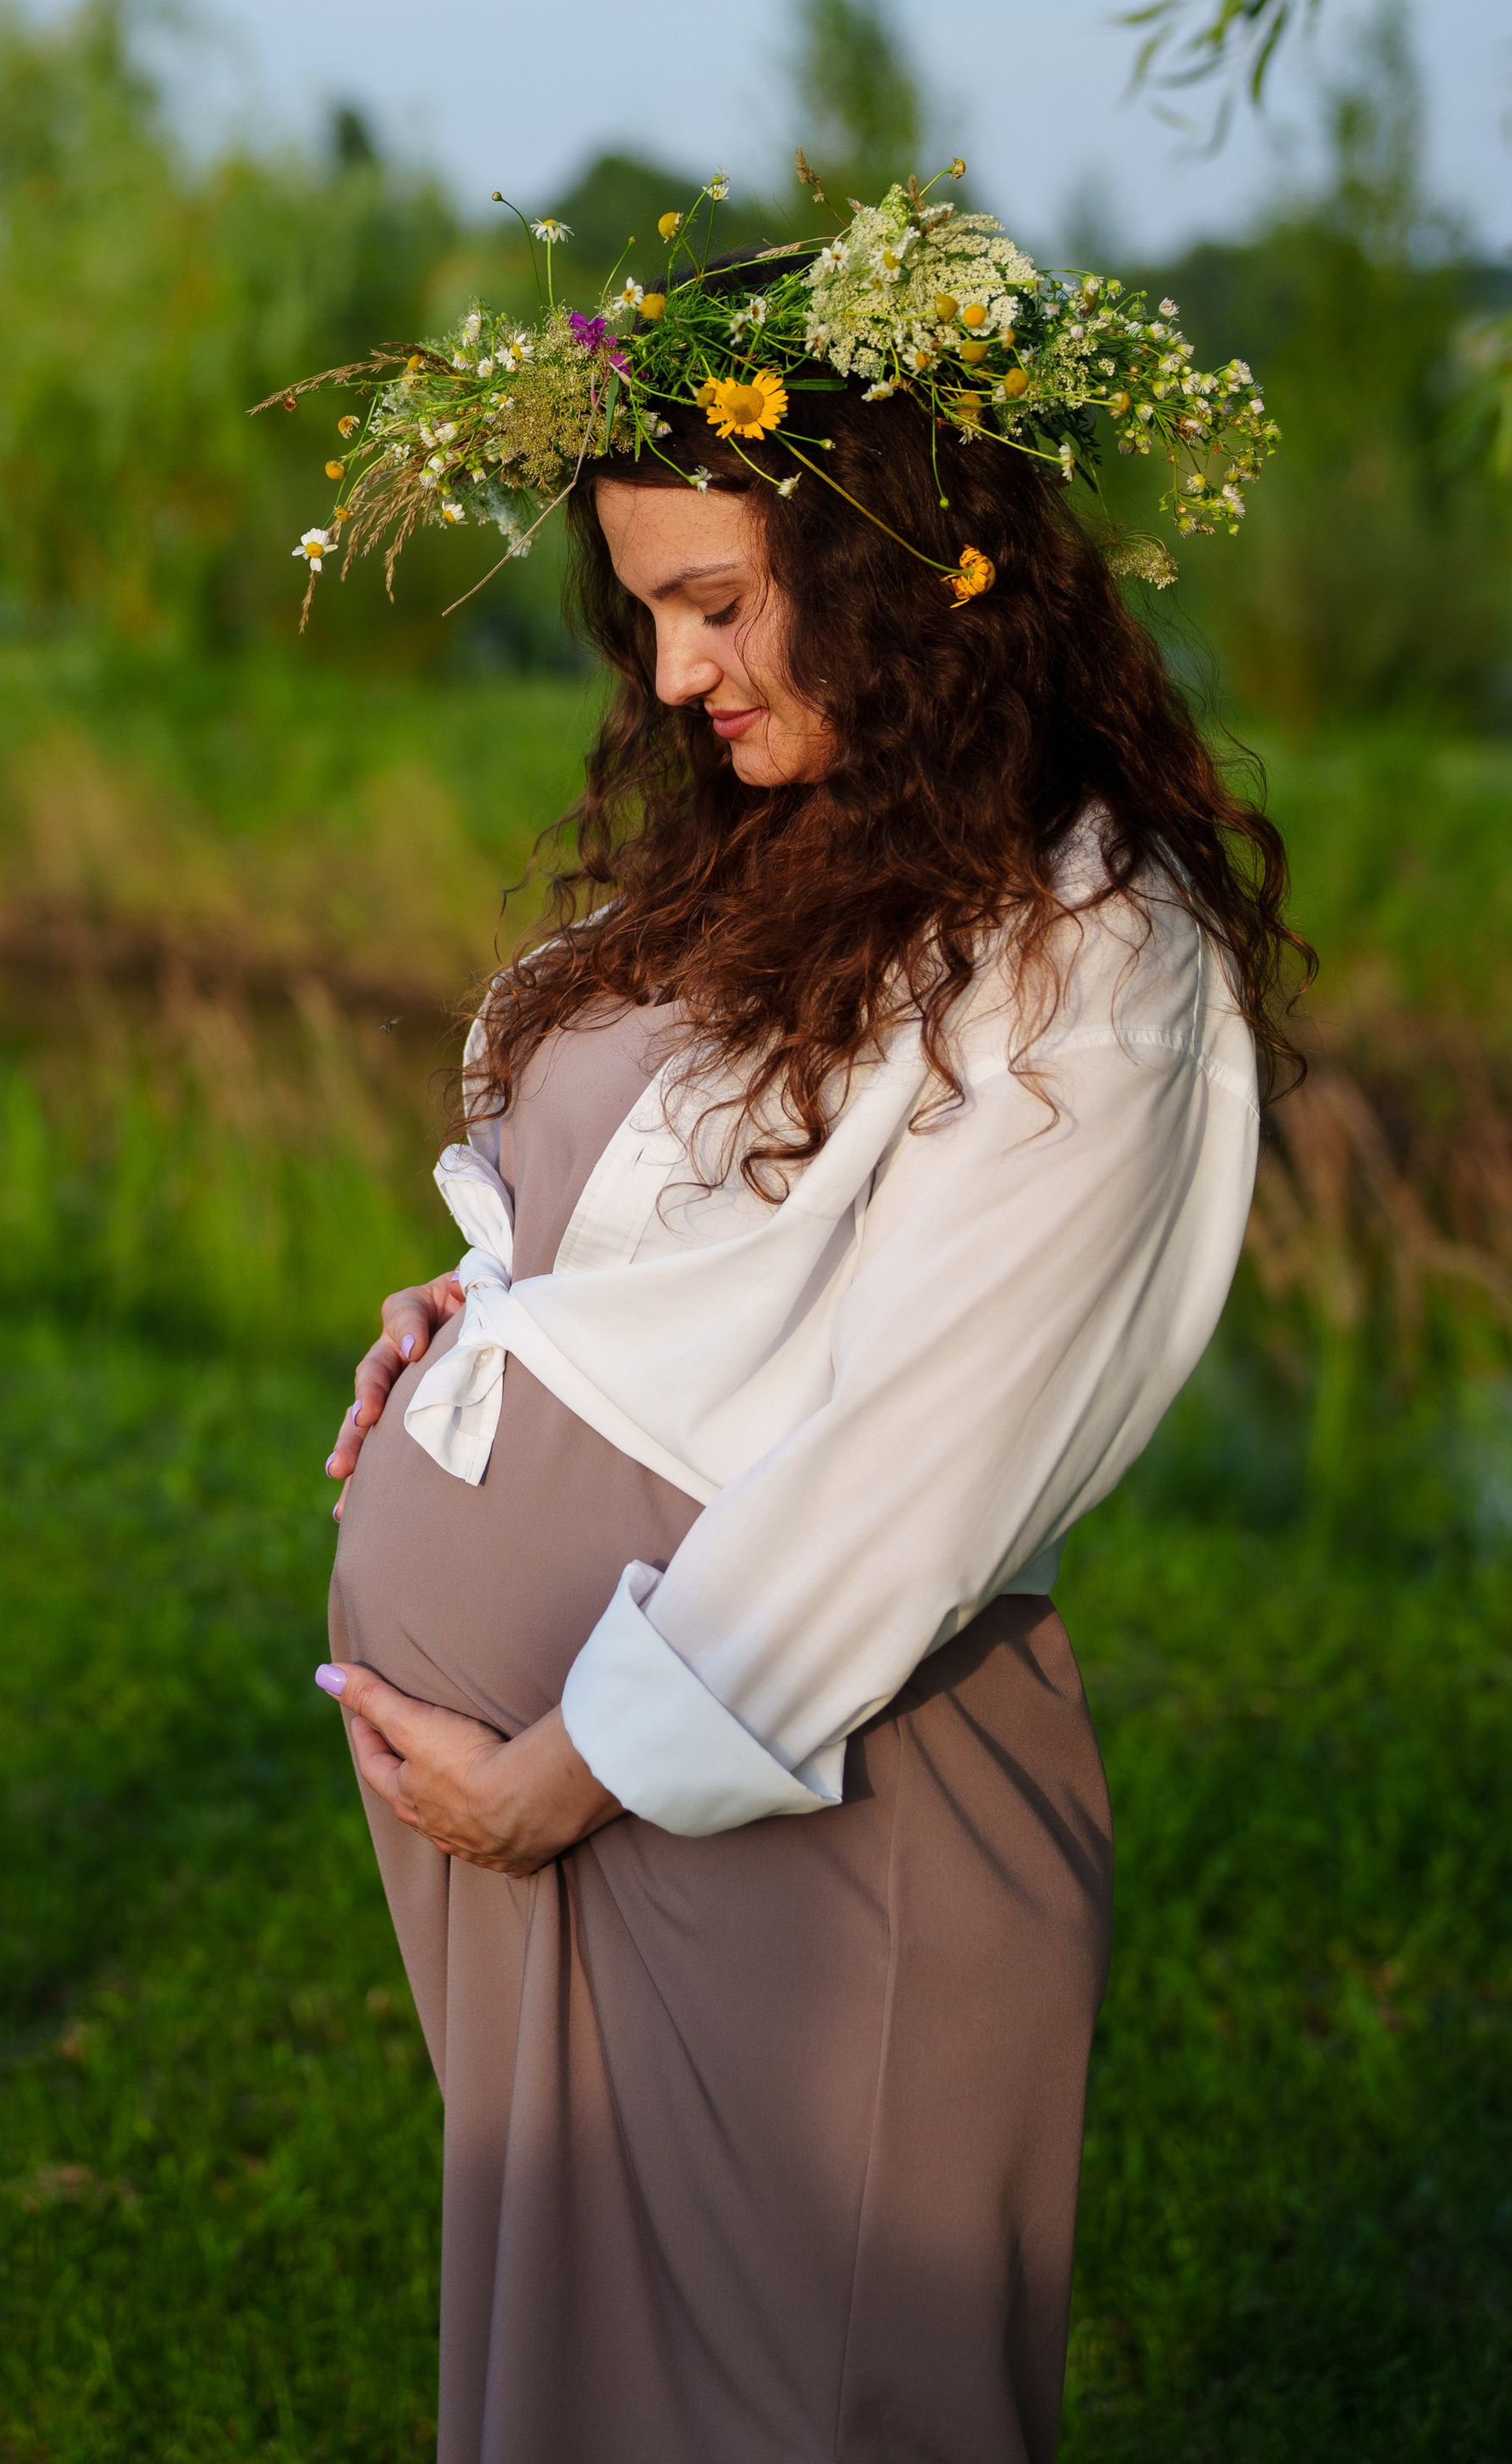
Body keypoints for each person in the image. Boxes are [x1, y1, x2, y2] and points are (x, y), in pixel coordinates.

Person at [293, 202, 1299, 2464]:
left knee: (817, 2408)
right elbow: (683, 1213)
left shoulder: (1088, 952)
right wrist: (490, 1312)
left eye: (716, 607)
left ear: (894, 570)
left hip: (799, 1799)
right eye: (647, 616)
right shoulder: (779, 846)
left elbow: (919, 1460)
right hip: (563, 1803)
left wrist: (561, 1780)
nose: (669, 679)